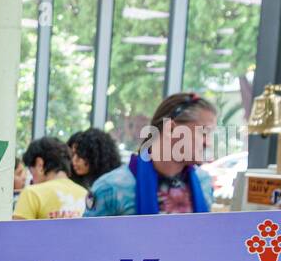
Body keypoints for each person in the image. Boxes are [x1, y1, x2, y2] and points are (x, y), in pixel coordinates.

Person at [84, 93, 216, 217]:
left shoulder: (204, 183)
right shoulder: (111, 188)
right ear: (171, 129)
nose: (208, 143)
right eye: (204, 133)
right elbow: (88, 239)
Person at [12, 136, 86, 219]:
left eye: (31, 171)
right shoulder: (85, 194)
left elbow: (18, 231)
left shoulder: (32, 194)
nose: (32, 179)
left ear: (40, 164)